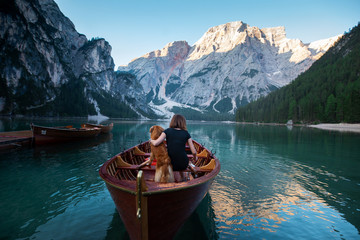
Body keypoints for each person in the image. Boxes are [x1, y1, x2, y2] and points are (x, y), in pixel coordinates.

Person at [150, 114, 197, 181]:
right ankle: (183, 178)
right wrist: (195, 158)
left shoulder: (167, 131)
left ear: (172, 121)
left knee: (170, 159)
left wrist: (151, 140)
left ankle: (170, 178)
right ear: (183, 122)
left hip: (170, 163)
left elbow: (156, 143)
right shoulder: (186, 133)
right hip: (183, 163)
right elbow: (194, 152)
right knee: (182, 160)